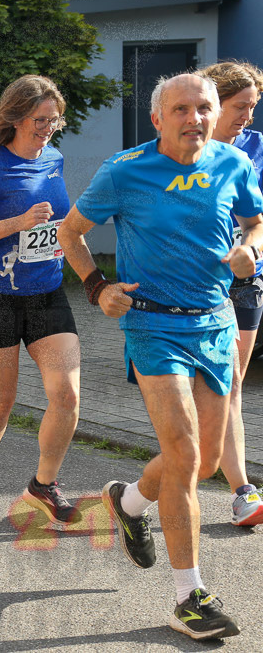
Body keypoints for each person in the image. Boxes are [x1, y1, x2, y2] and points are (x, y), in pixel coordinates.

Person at [58, 73, 263, 641]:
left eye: (203, 108)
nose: (194, 118)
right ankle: (189, 596)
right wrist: (98, 287)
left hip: (217, 323)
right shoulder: (126, 170)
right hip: (153, 325)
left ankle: (127, 500)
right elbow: (70, 233)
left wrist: (250, 248)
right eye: (181, 109)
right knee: (185, 450)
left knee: (200, 465)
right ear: (157, 119)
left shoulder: (232, 164)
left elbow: (255, 219)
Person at [0, 75, 81, 527]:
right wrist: (20, 221)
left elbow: (57, 223)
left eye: (54, 119)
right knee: (0, 403)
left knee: (66, 394)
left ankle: (43, 484)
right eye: (40, 119)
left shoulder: (55, 160)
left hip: (47, 292)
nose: (48, 127)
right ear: (16, 118)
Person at [196, 61, 263, 527]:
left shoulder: (256, 149)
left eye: (253, 108)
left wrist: (248, 248)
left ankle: (242, 490)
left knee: (232, 385)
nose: (248, 118)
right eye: (241, 107)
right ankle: (166, 479)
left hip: (245, 282)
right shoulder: (179, 150)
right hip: (192, 287)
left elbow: (259, 220)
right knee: (200, 396)